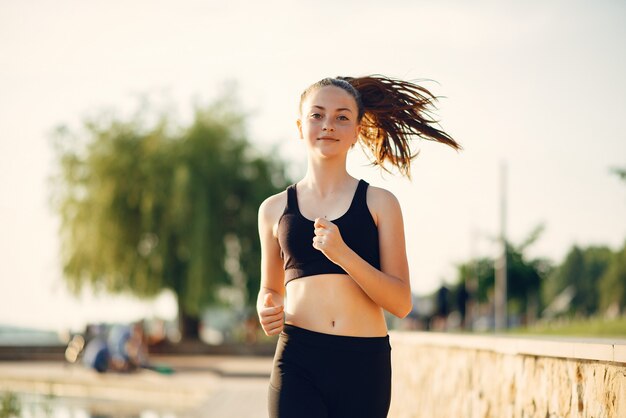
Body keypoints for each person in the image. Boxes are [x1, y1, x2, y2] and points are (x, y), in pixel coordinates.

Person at [257, 75, 461, 418]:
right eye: (317, 115)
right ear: (299, 125)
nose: (328, 126)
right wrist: (267, 306)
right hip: (298, 359)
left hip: (363, 365)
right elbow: (270, 289)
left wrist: (343, 254)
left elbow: (401, 302)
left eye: (341, 117)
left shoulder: (381, 203)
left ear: (355, 130)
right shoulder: (273, 209)